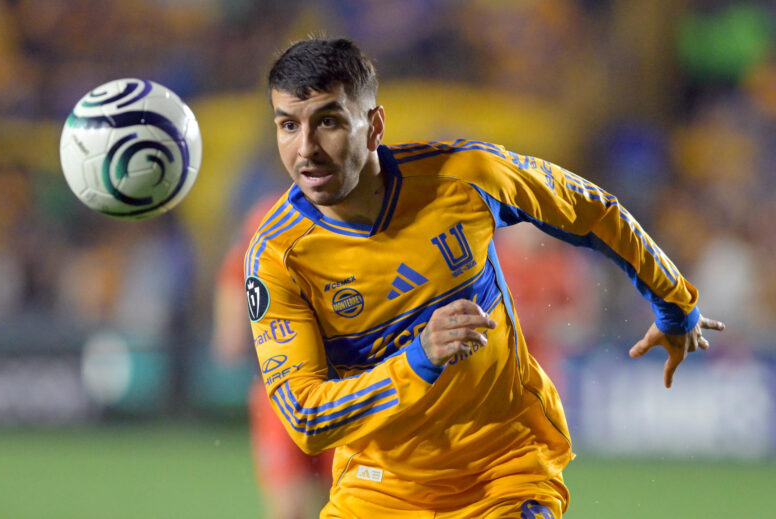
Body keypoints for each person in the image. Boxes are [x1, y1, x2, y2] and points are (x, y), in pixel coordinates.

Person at [244, 38, 724, 518]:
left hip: (505, 467)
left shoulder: (464, 175)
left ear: (373, 127)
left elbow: (592, 211)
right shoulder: (277, 258)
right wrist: (418, 359)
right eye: (288, 125)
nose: (305, 148)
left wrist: (675, 303)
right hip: (378, 489)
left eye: (327, 121)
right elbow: (306, 417)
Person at [212, 194, 334, 519]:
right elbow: (237, 274)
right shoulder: (267, 216)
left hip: (342, 389)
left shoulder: (357, 214)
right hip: (282, 388)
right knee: (288, 507)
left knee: (341, 503)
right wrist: (231, 332)